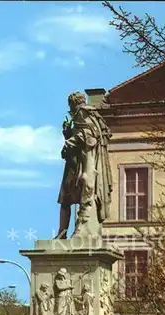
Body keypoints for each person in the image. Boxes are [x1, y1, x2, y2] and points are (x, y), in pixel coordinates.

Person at [56, 91, 112, 239]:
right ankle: (63, 232)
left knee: (71, 197)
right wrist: (68, 133)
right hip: (75, 162)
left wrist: (69, 142)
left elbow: (88, 134)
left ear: (74, 103)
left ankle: (72, 229)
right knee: (65, 198)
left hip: (82, 163)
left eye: (70, 105)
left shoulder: (82, 112)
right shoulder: (85, 114)